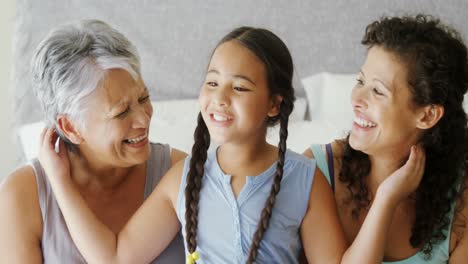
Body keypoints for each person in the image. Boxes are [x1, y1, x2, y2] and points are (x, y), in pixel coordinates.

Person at [38, 26, 424, 263]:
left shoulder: (304, 179)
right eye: (211, 82)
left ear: (274, 104)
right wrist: (60, 181)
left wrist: (387, 198)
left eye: (239, 87)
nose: (220, 97)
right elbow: (115, 257)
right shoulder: (183, 178)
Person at [0, 20, 186, 263]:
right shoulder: (21, 196)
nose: (143, 118)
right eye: (121, 112)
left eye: (144, 98)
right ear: (71, 127)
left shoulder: (179, 173)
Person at [304, 14, 468, 263]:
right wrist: (386, 199)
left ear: (427, 115)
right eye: (360, 81)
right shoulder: (316, 171)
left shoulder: (462, 195)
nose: (356, 99)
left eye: (378, 91)